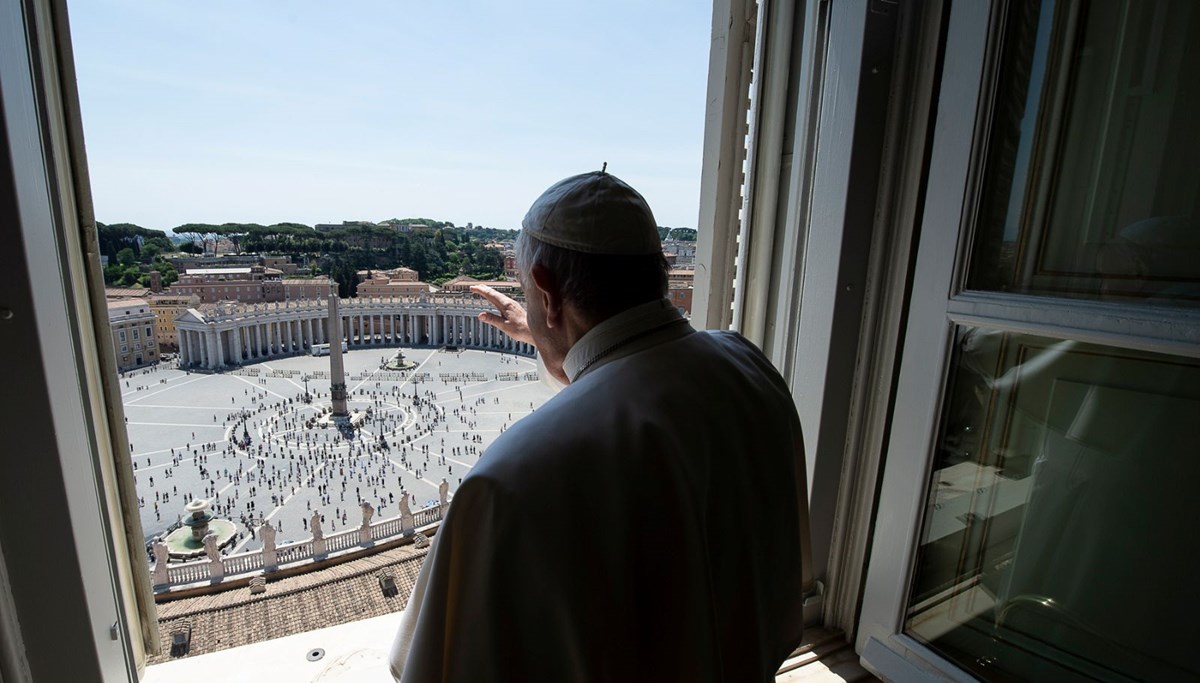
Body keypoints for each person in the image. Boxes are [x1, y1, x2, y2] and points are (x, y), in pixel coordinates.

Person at [389, 169, 811, 681]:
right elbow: (639, 389)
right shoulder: (748, 366)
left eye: (526, 292)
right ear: (661, 269)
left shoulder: (506, 482)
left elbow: (428, 665)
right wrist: (545, 334)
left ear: (545, 291)